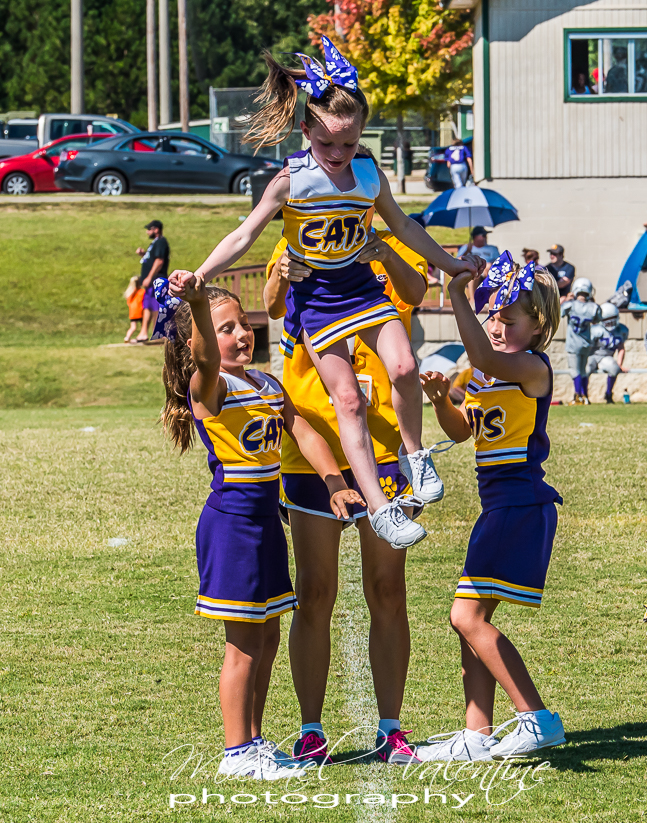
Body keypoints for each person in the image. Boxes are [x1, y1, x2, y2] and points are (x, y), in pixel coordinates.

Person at [181, 37, 478, 550]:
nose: (339, 155)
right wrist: (201, 273)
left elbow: (404, 226)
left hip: (360, 286)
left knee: (404, 366)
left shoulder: (368, 174)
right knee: (348, 400)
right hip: (316, 299)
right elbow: (244, 235)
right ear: (306, 133)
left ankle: (414, 455)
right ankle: (380, 509)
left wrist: (452, 264)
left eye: (350, 142)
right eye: (327, 145)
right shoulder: (290, 181)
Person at [160, 278, 364, 779]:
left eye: (244, 324)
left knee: (268, 636)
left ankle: (252, 741)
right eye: (225, 328)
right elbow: (206, 359)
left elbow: (303, 432)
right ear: (198, 338)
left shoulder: (267, 383)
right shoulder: (209, 385)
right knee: (244, 644)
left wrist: (335, 483)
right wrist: (196, 304)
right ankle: (236, 752)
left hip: (267, 523)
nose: (241, 334)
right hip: (232, 526)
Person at [264, 230, 429, 767]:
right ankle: (311, 730)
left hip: (383, 451)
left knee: (388, 589)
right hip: (313, 453)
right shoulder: (299, 232)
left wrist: (383, 252)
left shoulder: (390, 239)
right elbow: (272, 306)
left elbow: (415, 293)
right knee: (314, 593)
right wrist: (281, 275)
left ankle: (391, 728)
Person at [417, 252, 565, 762]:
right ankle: (476, 734)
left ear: (538, 325)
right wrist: (441, 401)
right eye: (493, 318)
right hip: (498, 506)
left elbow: (481, 355)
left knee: (466, 616)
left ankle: (537, 719)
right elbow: (463, 430)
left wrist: (456, 294)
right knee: (469, 620)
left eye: (508, 320)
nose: (497, 328)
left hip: (519, 504)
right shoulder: (486, 372)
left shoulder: (531, 367)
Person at [561, 278, 602, 404]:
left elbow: (560, 312)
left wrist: (567, 300)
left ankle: (578, 395)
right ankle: (585, 396)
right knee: (583, 371)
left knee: (575, 370)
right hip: (586, 342)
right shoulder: (594, 307)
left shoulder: (570, 305)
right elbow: (597, 320)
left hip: (573, 343)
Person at [135, 219, 170, 343]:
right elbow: (154, 258)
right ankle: (144, 333)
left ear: (156, 230)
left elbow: (159, 261)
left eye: (149, 229)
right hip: (152, 282)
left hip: (156, 280)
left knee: (156, 307)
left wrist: (149, 277)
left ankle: (160, 334)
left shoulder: (161, 242)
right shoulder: (155, 243)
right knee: (147, 306)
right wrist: (144, 254)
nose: (147, 232)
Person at [587, 303, 629, 403]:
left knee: (614, 368)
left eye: (613, 318)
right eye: (607, 319)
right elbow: (587, 348)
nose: (610, 322)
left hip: (606, 356)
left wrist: (619, 364)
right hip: (592, 355)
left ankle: (608, 394)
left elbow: (621, 348)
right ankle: (583, 395)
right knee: (586, 369)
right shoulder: (595, 330)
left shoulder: (621, 330)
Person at [123, 275, 145, 343]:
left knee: (133, 327)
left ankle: (127, 337)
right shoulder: (142, 291)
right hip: (140, 311)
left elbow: (128, 303)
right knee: (143, 326)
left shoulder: (130, 292)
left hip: (132, 313)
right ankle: (141, 336)